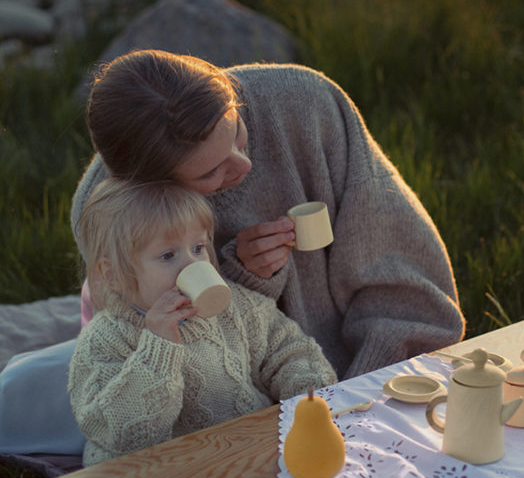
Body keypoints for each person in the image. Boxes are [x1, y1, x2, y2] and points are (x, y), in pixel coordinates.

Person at [71, 48, 465, 380]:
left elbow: (403, 276)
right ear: (156, 186)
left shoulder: (304, 103)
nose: (244, 166)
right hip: (244, 402)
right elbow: (173, 374)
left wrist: (366, 387)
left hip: (338, 375)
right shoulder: (111, 214)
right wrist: (241, 278)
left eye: (238, 132)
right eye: (211, 171)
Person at [69, 178, 337, 467]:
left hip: (246, 451)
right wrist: (158, 348)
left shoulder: (235, 306)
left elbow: (286, 348)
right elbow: (124, 434)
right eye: (168, 255)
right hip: (163, 476)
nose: (193, 265)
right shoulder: (105, 339)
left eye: (198, 248)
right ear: (113, 275)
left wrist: (307, 391)